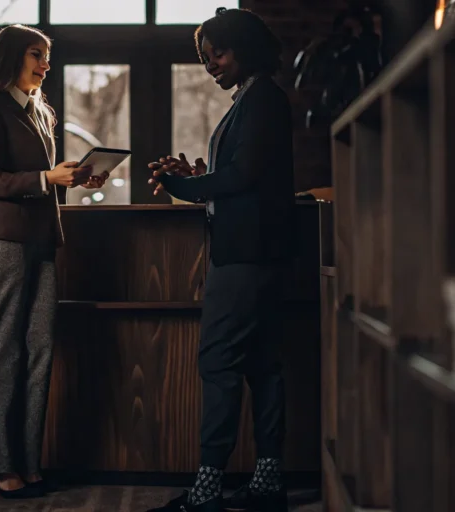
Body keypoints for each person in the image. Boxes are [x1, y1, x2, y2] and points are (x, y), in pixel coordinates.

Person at [147, 7, 295, 512]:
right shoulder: (255, 99)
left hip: (245, 255)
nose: (211, 66)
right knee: (262, 365)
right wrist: (199, 176)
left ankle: (207, 492)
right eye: (206, 59)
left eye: (218, 54)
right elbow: (243, 174)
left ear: (245, 49)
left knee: (218, 363)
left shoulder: (262, 99)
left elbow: (243, 177)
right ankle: (268, 485)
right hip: (262, 252)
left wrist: (180, 185)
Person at [0, 24, 108, 500]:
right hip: (1, 240)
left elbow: (41, 177)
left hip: (42, 240)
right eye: (35, 54)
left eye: (46, 55)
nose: (45, 63)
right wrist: (46, 177)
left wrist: (72, 179)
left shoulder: (40, 111)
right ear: (10, 56)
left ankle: (27, 463)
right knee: (1, 350)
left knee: (39, 349)